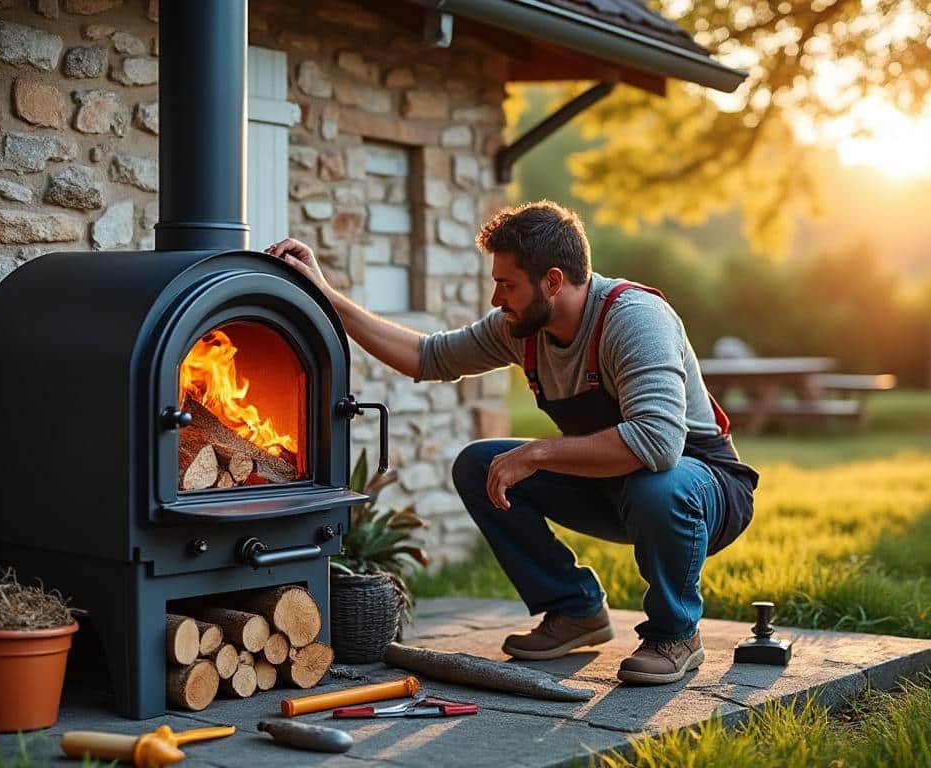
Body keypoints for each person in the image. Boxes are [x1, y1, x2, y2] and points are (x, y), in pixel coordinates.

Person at [266, 201, 758, 685]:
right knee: (479, 465)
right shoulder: (523, 328)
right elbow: (427, 357)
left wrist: (536, 452)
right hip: (619, 488)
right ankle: (575, 610)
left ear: (553, 281)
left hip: (702, 489)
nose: (497, 299)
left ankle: (675, 635)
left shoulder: (632, 319)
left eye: (507, 284)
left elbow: (657, 444)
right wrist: (327, 295)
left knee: (658, 485)